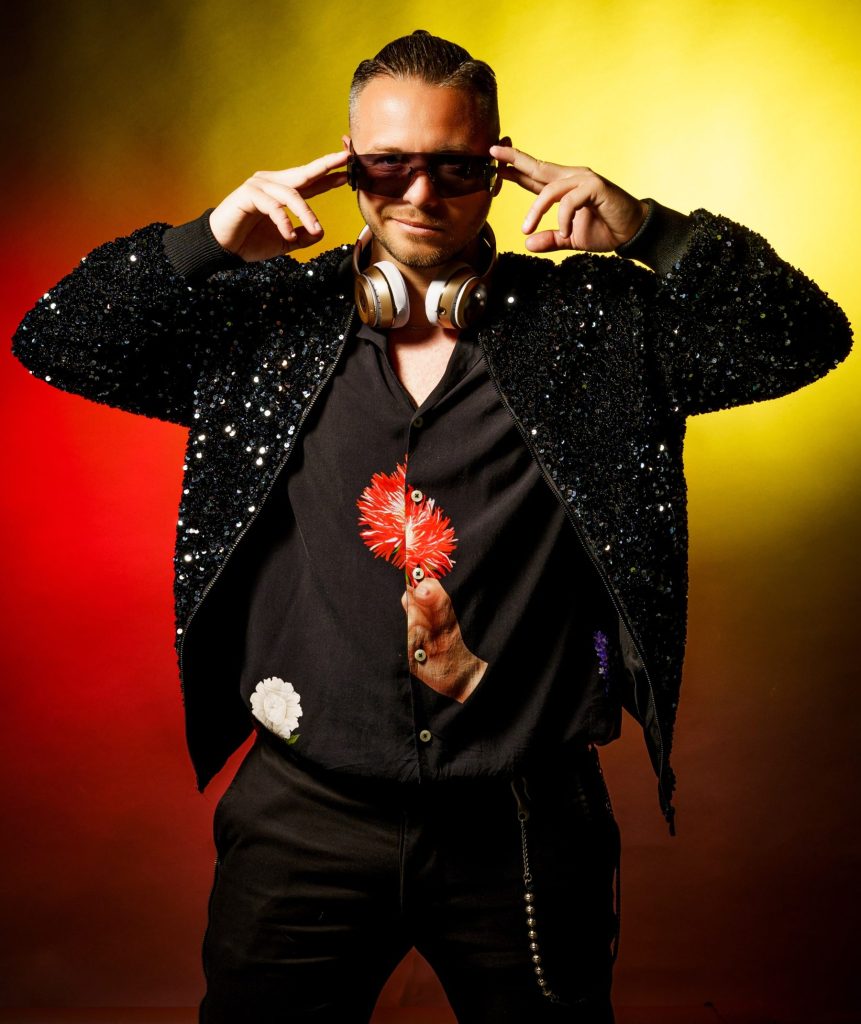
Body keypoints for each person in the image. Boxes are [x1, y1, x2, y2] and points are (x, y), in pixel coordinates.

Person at [11, 28, 852, 1024]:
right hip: (303, 820)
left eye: (453, 167)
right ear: (346, 166)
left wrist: (649, 231)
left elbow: (802, 335)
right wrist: (210, 241)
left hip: (526, 820)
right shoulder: (264, 323)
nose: (419, 194)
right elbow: (56, 337)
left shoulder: (594, 326)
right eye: (387, 165)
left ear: (497, 169)